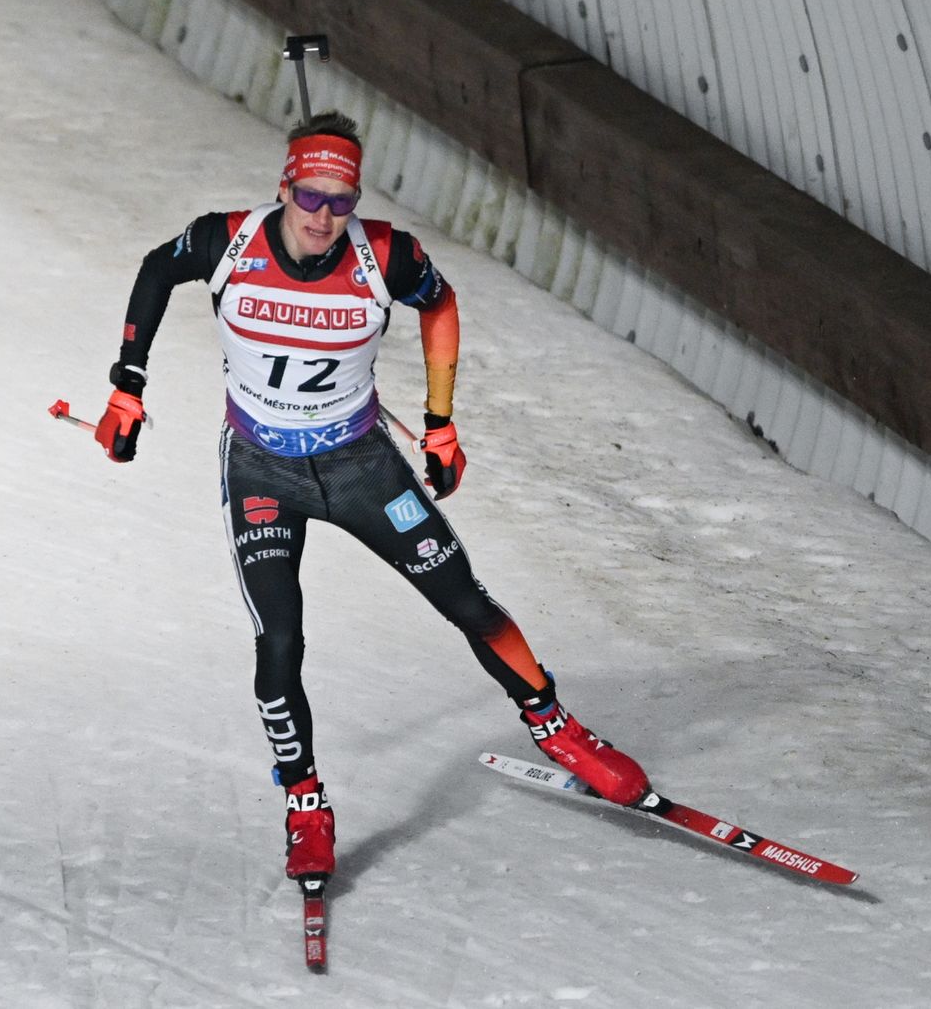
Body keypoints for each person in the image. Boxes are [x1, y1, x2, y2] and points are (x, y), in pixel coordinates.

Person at [94, 111, 650, 885]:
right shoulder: (227, 242)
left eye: (341, 200)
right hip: (262, 472)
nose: (324, 217)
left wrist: (441, 421)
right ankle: (306, 803)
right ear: (283, 187)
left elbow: (442, 304)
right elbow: (158, 268)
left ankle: (557, 728)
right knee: (280, 641)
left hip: (361, 466)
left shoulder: (386, 255)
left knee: (464, 595)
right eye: (311, 198)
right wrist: (128, 384)